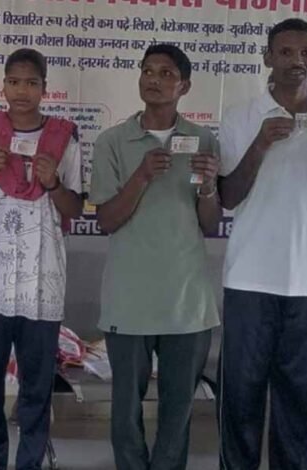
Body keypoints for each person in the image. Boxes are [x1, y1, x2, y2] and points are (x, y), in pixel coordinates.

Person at [217, 18, 307, 470]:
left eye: (306, 53)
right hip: (250, 281)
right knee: (239, 405)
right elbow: (227, 197)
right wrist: (259, 145)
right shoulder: (241, 117)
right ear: (268, 57)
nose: (296, 60)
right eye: (285, 52)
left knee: (301, 412)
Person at [89, 44, 222, 470]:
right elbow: (106, 220)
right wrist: (142, 175)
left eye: (166, 74)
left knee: (178, 408)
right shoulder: (112, 141)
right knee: (125, 408)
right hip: (129, 298)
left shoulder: (204, 140)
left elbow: (209, 223)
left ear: (185, 86)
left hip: (186, 299)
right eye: (148, 71)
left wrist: (208, 188)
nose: (154, 80)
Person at [0, 48, 83, 470]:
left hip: (40, 283)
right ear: (3, 86)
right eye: (14, 82)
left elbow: (75, 209)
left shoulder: (65, 137)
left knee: (36, 386)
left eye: (31, 83)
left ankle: (30, 462)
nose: (22, 91)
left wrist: (53, 182)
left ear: (45, 87)